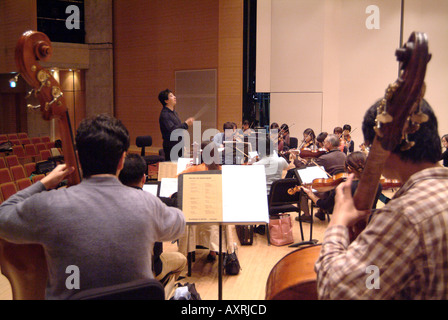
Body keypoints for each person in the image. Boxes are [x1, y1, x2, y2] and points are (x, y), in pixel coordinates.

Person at [0, 114, 186, 299]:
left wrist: (45, 183)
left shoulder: (50, 204)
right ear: (122, 160)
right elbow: (180, 223)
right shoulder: (147, 203)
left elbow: (3, 216)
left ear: (78, 159)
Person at [315, 99, 448, 299]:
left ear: (384, 146)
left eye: (370, 147)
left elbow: (337, 292)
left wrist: (338, 223)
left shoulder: (405, 216)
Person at [118, 153, 187, 298]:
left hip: (118, 272)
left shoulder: (110, 203)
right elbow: (177, 227)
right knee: (181, 260)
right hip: (149, 268)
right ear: (144, 178)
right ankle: (162, 292)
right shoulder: (155, 203)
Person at [301, 151, 382, 220]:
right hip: (370, 225)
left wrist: (311, 194)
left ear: (349, 169)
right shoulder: (377, 184)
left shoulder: (343, 188)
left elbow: (324, 205)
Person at [158, 89, 195, 161]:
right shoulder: (164, 115)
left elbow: (179, 130)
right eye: (171, 96)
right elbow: (172, 130)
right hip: (171, 147)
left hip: (179, 145)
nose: (174, 97)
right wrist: (185, 124)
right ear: (166, 101)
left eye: (173, 95)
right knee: (173, 169)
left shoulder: (174, 113)